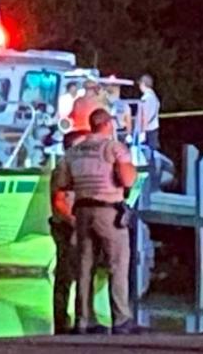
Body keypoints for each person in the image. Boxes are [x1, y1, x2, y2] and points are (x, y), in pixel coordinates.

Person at [52, 108, 138, 334]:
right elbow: (127, 179)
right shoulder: (114, 148)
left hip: (82, 212)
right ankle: (120, 319)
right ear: (108, 124)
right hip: (109, 212)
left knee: (84, 267)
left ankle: (83, 320)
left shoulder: (75, 152)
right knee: (117, 265)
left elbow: (62, 183)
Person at [138, 74, 160, 151]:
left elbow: (145, 116)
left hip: (147, 131)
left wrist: (142, 132)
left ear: (143, 84)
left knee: (146, 155)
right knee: (153, 153)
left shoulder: (145, 98)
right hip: (154, 129)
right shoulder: (155, 97)